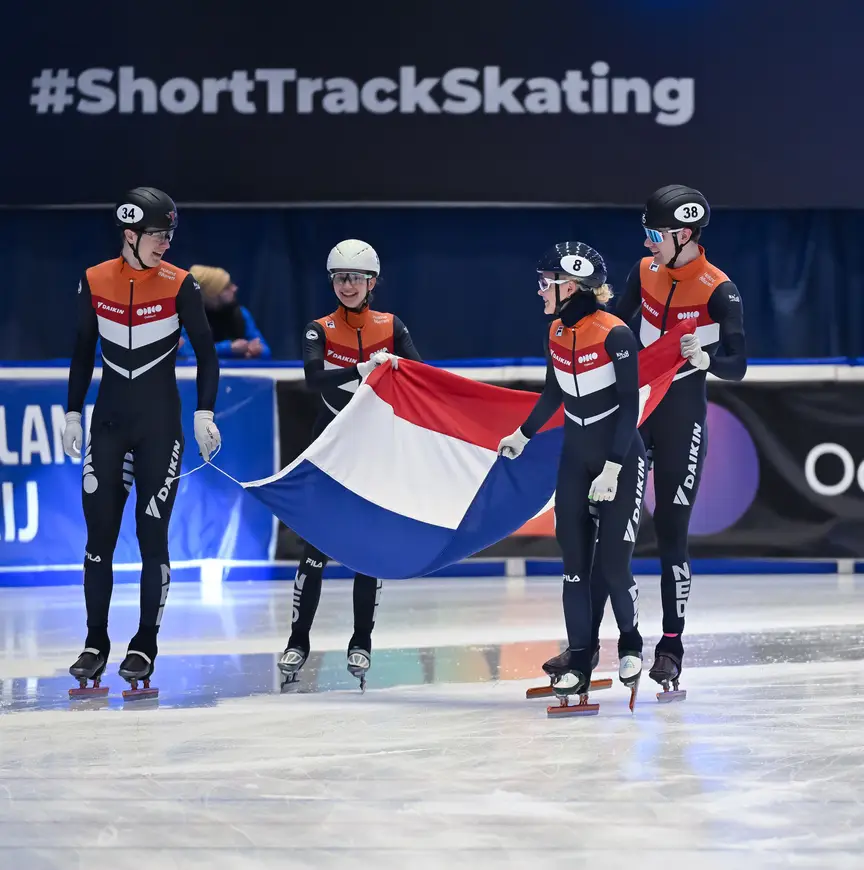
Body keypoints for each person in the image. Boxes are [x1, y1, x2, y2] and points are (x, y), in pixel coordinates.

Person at [62, 187, 222, 696]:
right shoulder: (94, 280)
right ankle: (94, 643)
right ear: (130, 235)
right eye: (158, 235)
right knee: (98, 541)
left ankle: (144, 643)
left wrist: (203, 413)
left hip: (159, 428)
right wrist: (71, 412)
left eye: (170, 235)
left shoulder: (182, 285)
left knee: (152, 538)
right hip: (107, 426)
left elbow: (207, 353)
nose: (166, 245)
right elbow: (84, 349)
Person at [608, 184, 747, 697]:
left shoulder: (719, 289)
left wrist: (709, 360)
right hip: (638, 410)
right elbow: (616, 324)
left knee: (671, 530)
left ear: (683, 234)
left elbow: (741, 363)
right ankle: (617, 641)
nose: (647, 243)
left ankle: (671, 646)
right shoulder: (643, 271)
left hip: (682, 417)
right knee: (612, 525)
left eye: (654, 234)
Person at [497, 242, 645, 712]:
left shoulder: (615, 333)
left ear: (572, 285)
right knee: (574, 565)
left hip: (618, 455)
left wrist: (616, 467)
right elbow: (553, 391)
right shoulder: (556, 332)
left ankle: (631, 644)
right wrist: (522, 433)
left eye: (546, 282)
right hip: (575, 456)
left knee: (614, 566)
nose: (539, 290)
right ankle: (580, 659)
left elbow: (630, 405)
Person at [278, 239, 422, 690]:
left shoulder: (392, 325)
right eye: (340, 278)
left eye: (355, 279)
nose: (347, 286)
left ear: (371, 283)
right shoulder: (318, 328)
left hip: (374, 448)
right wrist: (361, 369)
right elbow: (313, 378)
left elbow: (421, 376)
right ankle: (298, 640)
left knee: (366, 551)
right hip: (333, 446)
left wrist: (398, 363)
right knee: (314, 549)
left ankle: (362, 639)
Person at [177, 265, 271, 360]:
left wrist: (258, 350)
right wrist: (228, 349)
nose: (235, 288)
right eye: (227, 287)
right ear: (212, 294)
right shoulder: (188, 318)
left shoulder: (241, 314)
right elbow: (187, 354)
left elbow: (266, 350)